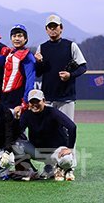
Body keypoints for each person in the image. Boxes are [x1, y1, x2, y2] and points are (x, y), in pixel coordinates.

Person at [34, 14, 87, 171]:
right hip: (48, 97)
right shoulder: (42, 48)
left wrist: (71, 75)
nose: (53, 29)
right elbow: (38, 72)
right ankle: (51, 165)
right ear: (46, 30)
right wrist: (39, 62)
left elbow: (83, 67)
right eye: (50, 27)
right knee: (50, 132)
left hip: (66, 97)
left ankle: (70, 163)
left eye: (55, 26)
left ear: (61, 28)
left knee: (67, 129)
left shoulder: (70, 46)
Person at [14, 89, 77, 181]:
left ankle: (62, 168)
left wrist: (69, 148)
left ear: (43, 101)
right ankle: (31, 171)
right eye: (32, 102)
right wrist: (16, 119)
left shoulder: (52, 112)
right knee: (15, 144)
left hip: (56, 151)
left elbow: (72, 127)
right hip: (37, 151)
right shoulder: (27, 114)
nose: (34, 104)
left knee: (67, 159)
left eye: (37, 101)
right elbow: (16, 133)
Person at [0, 24, 35, 117]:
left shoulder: (27, 56)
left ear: (25, 39)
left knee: (17, 129)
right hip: (5, 99)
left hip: (17, 99)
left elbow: (30, 80)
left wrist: (25, 102)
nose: (16, 38)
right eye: (14, 36)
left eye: (20, 36)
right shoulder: (9, 53)